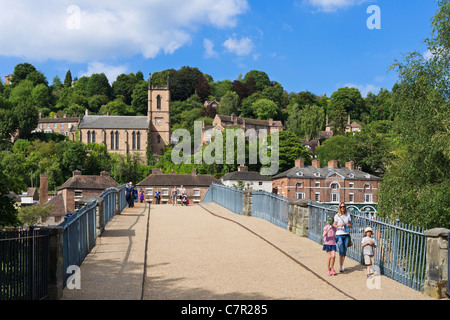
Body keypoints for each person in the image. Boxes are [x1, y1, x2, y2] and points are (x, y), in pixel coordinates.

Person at [333, 202, 352, 272]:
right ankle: (340, 266)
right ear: (339, 208)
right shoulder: (337, 216)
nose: (342, 208)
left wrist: (348, 225)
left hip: (346, 234)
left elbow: (350, 224)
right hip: (339, 234)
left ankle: (342, 265)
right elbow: (334, 226)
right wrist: (339, 225)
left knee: (344, 251)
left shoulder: (348, 215)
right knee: (341, 250)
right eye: (341, 207)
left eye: (343, 207)